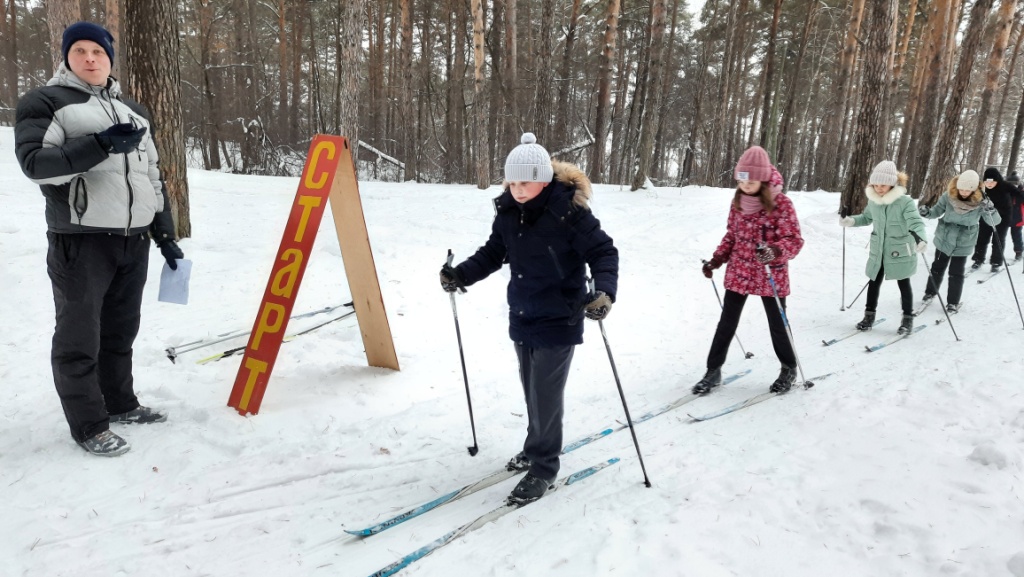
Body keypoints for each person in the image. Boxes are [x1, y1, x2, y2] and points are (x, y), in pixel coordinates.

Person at [14, 22, 183, 457]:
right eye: (80, 51)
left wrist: (163, 232)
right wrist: (101, 145)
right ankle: (89, 424)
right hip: (81, 240)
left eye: (98, 51)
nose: (90, 58)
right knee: (79, 336)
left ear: (110, 58)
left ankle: (120, 403)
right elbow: (35, 164)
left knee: (120, 331)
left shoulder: (133, 110)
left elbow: (151, 175)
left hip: (132, 240)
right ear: (67, 57)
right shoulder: (46, 102)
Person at [439, 133, 618, 504]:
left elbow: (603, 251)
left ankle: (544, 467)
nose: (518, 190)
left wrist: (605, 292)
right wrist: (461, 275)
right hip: (523, 313)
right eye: (512, 183)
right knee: (532, 389)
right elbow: (494, 252)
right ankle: (535, 446)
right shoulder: (509, 212)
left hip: (561, 316)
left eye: (526, 182)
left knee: (546, 394)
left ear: (545, 180)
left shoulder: (568, 212)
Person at [695, 145, 804, 395]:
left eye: (751, 181)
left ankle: (788, 368)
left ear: (763, 179)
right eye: (741, 180)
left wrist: (775, 250)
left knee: (778, 324)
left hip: (770, 274)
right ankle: (713, 370)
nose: (745, 186)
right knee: (727, 322)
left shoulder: (782, 204)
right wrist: (716, 260)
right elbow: (732, 236)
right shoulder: (738, 203)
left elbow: (794, 240)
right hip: (740, 272)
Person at [840, 160, 927, 335]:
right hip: (878, 250)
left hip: (900, 250)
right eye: (876, 185)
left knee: (904, 284)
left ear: (893, 184)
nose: (879, 188)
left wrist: (921, 239)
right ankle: (868, 316)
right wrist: (851, 221)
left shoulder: (905, 202)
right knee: (873, 282)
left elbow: (916, 222)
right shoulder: (874, 201)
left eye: (883, 185)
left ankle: (907, 319)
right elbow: (866, 218)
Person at [919, 170, 1000, 313]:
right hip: (944, 237)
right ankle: (930, 293)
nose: (963, 192)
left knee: (956, 272)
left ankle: (952, 302)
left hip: (964, 239)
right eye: (961, 188)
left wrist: (991, 210)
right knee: (937, 267)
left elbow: (995, 221)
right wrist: (926, 212)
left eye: (967, 190)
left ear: (974, 189)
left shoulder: (981, 201)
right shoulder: (948, 196)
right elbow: (936, 211)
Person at [972, 167, 1014, 272]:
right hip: (986, 216)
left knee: (998, 240)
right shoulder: (981, 188)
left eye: (992, 182)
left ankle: (996, 262)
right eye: (987, 182)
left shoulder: (1005, 186)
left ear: (997, 180)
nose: (989, 184)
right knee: (982, 239)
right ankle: (978, 259)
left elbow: (1018, 195)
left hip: (1003, 218)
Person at [1006, 171, 1023, 262]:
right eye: (1011, 184)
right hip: (1005, 218)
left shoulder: (1021, 192)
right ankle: (997, 253)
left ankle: (1018, 252)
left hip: (1017, 218)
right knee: (999, 237)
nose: (1013, 186)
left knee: (1016, 236)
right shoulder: (1005, 191)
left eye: (1015, 184)